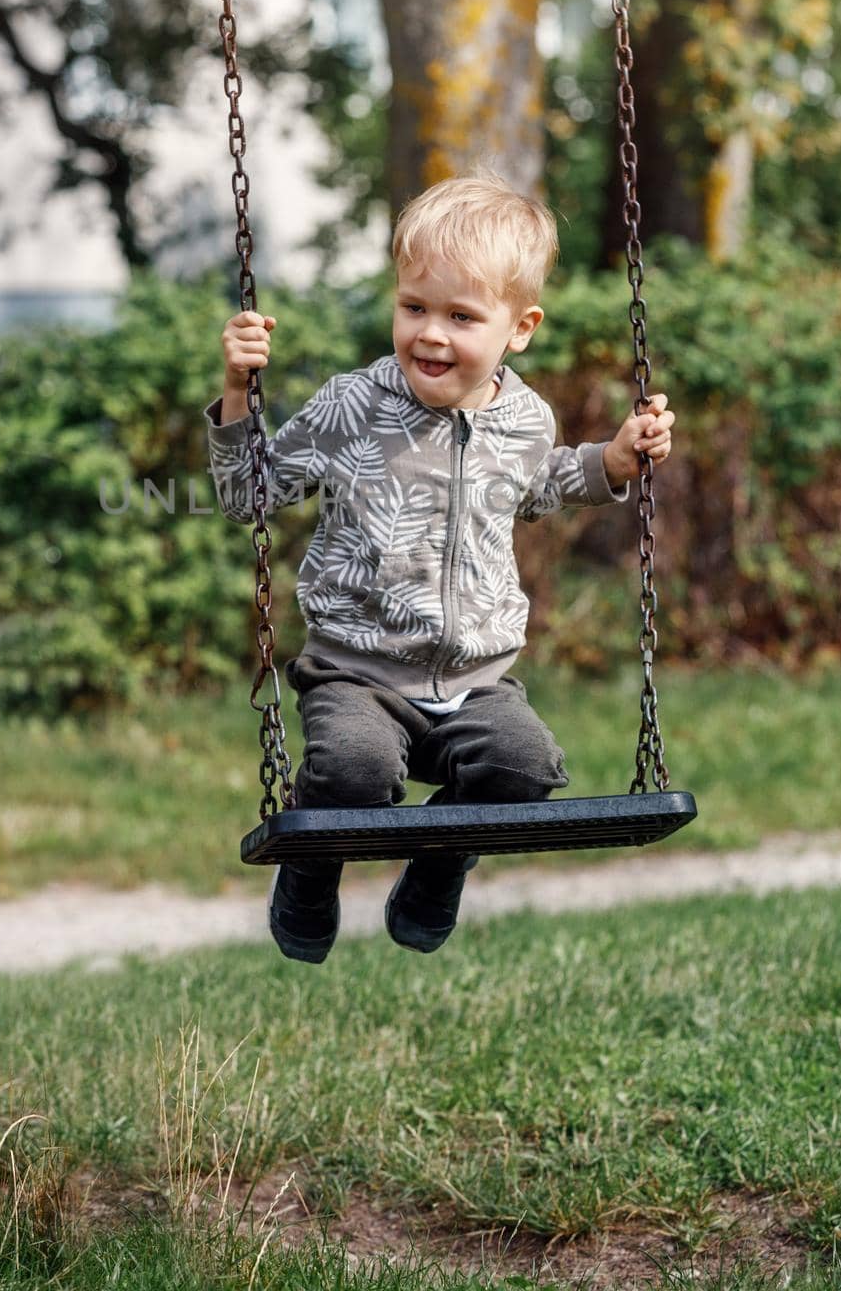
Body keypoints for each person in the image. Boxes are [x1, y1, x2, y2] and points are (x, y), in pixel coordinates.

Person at [205, 171, 674, 964]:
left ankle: (438, 869)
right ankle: (310, 876)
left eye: (461, 316)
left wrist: (613, 461)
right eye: (413, 306)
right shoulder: (352, 405)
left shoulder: (524, 417)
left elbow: (539, 486)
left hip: (477, 681)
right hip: (359, 675)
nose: (430, 333)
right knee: (352, 773)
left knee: (524, 769)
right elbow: (244, 493)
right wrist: (235, 394)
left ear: (518, 328)